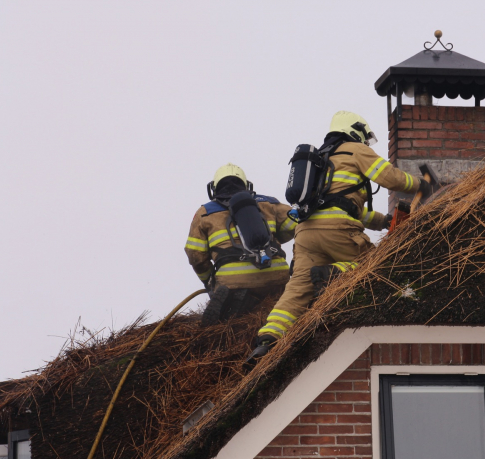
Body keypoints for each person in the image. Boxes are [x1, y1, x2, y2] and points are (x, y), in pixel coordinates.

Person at [248, 111, 432, 360]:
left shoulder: (320, 161)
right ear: (356, 130)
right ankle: (333, 273)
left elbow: (343, 205)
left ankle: (267, 340)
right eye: (366, 137)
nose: (367, 143)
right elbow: (390, 178)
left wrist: (383, 221)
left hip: (305, 234)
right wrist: (422, 184)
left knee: (297, 290)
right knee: (375, 265)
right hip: (338, 230)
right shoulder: (354, 149)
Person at [185, 163, 297, 325]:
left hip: (232, 281)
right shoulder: (269, 203)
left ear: (214, 188)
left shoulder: (204, 213)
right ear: (246, 184)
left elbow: (195, 255)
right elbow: (297, 225)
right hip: (277, 275)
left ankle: (240, 302)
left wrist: (209, 281)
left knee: (230, 318)